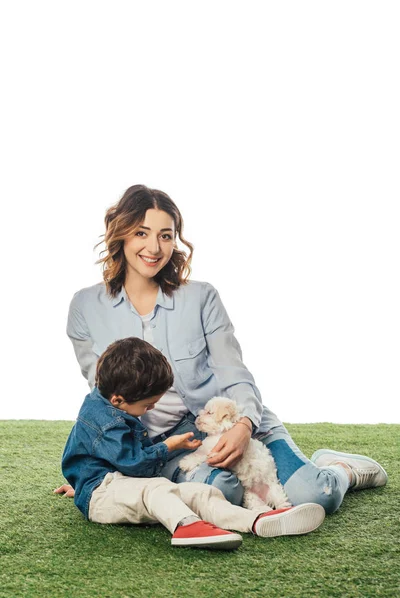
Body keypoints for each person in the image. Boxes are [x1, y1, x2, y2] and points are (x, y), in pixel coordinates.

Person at [55, 184, 388, 515]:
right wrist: (97, 475)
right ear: (122, 234)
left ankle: (339, 468)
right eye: (141, 233)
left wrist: (244, 427)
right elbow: (104, 400)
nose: (154, 247)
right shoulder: (85, 307)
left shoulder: (202, 297)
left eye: (166, 235)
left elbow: (234, 371)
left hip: (228, 420)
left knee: (318, 494)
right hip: (165, 444)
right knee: (219, 495)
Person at [61, 336, 326, 549]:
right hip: (104, 491)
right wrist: (90, 487)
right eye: (148, 405)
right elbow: (134, 464)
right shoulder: (104, 421)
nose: (151, 409)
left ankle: (258, 520)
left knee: (199, 493)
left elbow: (95, 456)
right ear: (118, 399)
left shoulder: (112, 400)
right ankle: (186, 527)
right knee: (156, 491)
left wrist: (82, 481)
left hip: (115, 485)